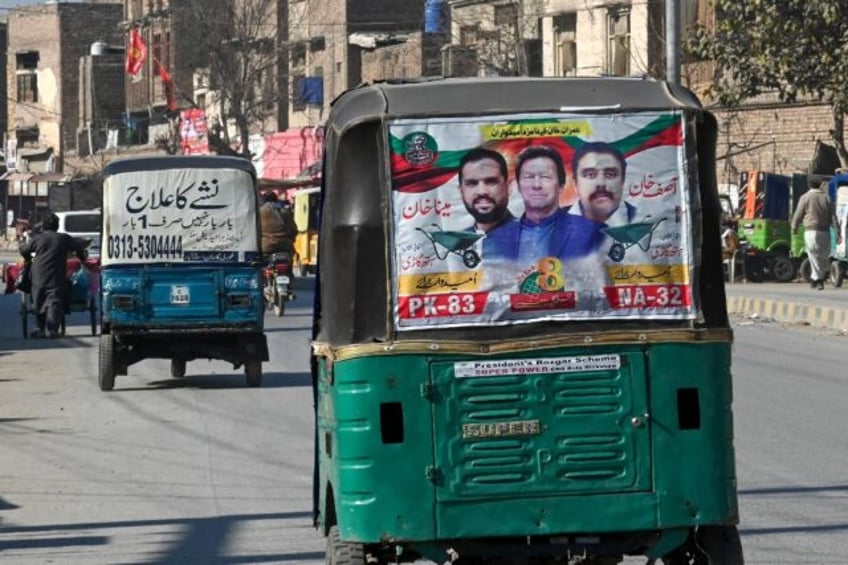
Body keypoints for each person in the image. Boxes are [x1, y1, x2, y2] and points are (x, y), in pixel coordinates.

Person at [509, 145, 603, 263]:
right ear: (518, 186)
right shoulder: (497, 236)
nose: (536, 185)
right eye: (529, 177)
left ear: (561, 185)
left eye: (545, 177)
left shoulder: (593, 232)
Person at [18, 213, 87, 338]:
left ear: (43, 226)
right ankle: (52, 329)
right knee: (54, 300)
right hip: (56, 275)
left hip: (38, 274)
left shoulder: (37, 238)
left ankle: (40, 328)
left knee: (39, 298)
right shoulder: (64, 238)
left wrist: (29, 259)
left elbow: (23, 250)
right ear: (57, 226)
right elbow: (78, 247)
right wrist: (82, 258)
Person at [456, 147, 517, 260]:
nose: (482, 191)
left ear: (508, 187)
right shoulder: (457, 244)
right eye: (472, 183)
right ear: (461, 191)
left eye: (491, 182)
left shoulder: (531, 238)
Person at [568, 141, 636, 225]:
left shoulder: (640, 217)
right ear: (575, 183)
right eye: (590, 175)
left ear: (623, 180)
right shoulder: (555, 224)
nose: (601, 183)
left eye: (610, 175)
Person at [791, 176, 838, 290]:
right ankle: (816, 278)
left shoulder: (805, 197)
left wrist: (794, 227)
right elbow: (834, 216)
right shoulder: (827, 198)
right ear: (821, 184)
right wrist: (838, 229)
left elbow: (798, 214)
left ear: (809, 185)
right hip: (825, 231)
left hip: (811, 231)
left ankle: (818, 279)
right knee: (822, 255)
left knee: (813, 255)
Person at [260, 191, 298, 258]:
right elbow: (294, 230)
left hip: (266, 248)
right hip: (285, 247)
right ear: (276, 200)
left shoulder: (259, 212)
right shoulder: (284, 212)